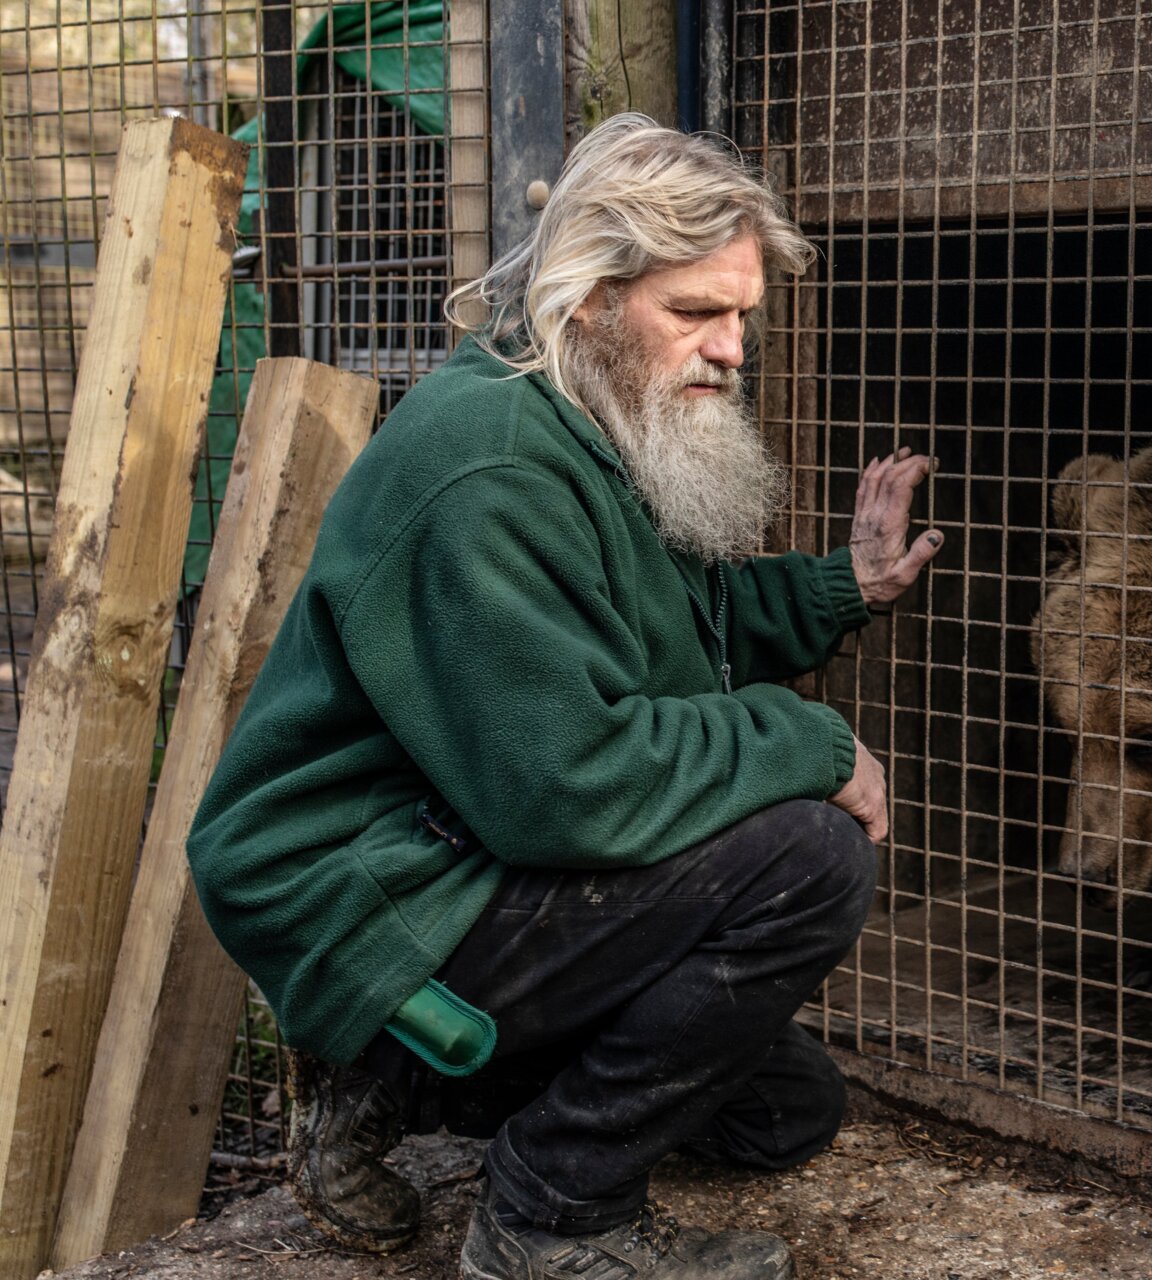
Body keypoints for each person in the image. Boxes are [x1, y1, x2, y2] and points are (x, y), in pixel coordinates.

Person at [187, 115, 943, 1280]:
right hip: (369, 877)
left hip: (468, 838)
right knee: (810, 859)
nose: (733, 347)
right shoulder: (491, 462)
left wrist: (843, 585)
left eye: (741, 314)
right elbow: (567, 780)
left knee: (781, 1111)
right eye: (695, 312)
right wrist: (809, 739)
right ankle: (549, 1216)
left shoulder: (595, 417)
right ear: (587, 294)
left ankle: (386, 1081)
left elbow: (667, 631)